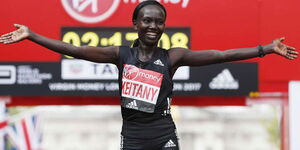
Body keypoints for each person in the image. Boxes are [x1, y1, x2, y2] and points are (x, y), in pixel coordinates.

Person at [0, 0, 298, 149]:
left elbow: (221, 56)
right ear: (135, 24)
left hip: (164, 135)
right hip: (132, 137)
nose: (154, 26)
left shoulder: (172, 57)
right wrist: (31, 35)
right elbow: (73, 48)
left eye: (159, 22)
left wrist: (265, 48)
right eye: (147, 20)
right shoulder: (120, 54)